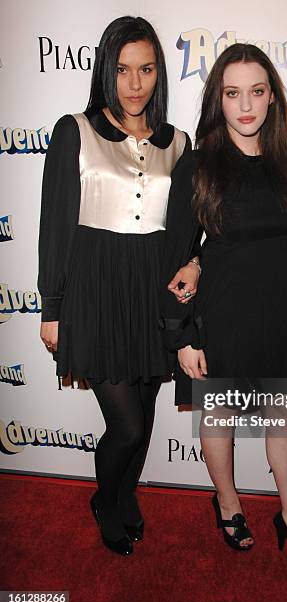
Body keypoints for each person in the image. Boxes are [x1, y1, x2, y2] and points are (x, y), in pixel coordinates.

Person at [161, 43, 287, 568]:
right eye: (232, 93)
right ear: (219, 99)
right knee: (220, 422)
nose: (245, 105)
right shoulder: (197, 165)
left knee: (286, 424)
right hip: (216, 318)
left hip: (276, 319)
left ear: (272, 98)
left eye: (256, 92)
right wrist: (184, 336)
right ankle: (229, 504)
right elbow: (174, 259)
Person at [38, 16, 199, 556]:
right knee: (126, 426)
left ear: (159, 74)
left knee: (147, 414)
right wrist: (52, 308)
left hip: (153, 291)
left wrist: (191, 280)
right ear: (107, 71)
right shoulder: (74, 131)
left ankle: (126, 494)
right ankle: (105, 498)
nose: (135, 83)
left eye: (147, 69)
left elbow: (186, 230)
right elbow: (56, 225)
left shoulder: (180, 143)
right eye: (124, 69)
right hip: (97, 292)